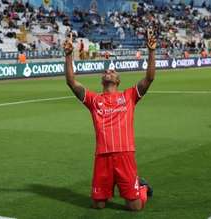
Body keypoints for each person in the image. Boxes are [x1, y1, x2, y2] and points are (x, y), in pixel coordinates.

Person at [63, 30, 156, 211]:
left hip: (125, 154)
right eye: (106, 71)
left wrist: (151, 51)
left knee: (135, 207)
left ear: (118, 80)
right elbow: (71, 82)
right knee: (98, 205)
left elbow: (149, 78)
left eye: (112, 71)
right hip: (102, 156)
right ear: (102, 80)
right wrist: (68, 56)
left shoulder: (129, 96)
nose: (108, 72)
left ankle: (141, 186)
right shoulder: (93, 100)